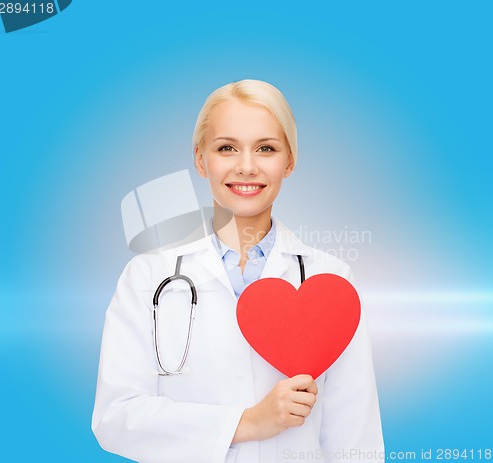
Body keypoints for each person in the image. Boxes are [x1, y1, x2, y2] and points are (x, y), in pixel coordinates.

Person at [92, 79, 384, 463]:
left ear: (289, 161)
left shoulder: (330, 280)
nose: (246, 167)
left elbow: (355, 440)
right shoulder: (148, 276)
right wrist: (246, 423)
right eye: (226, 148)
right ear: (201, 159)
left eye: (266, 148)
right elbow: (116, 417)